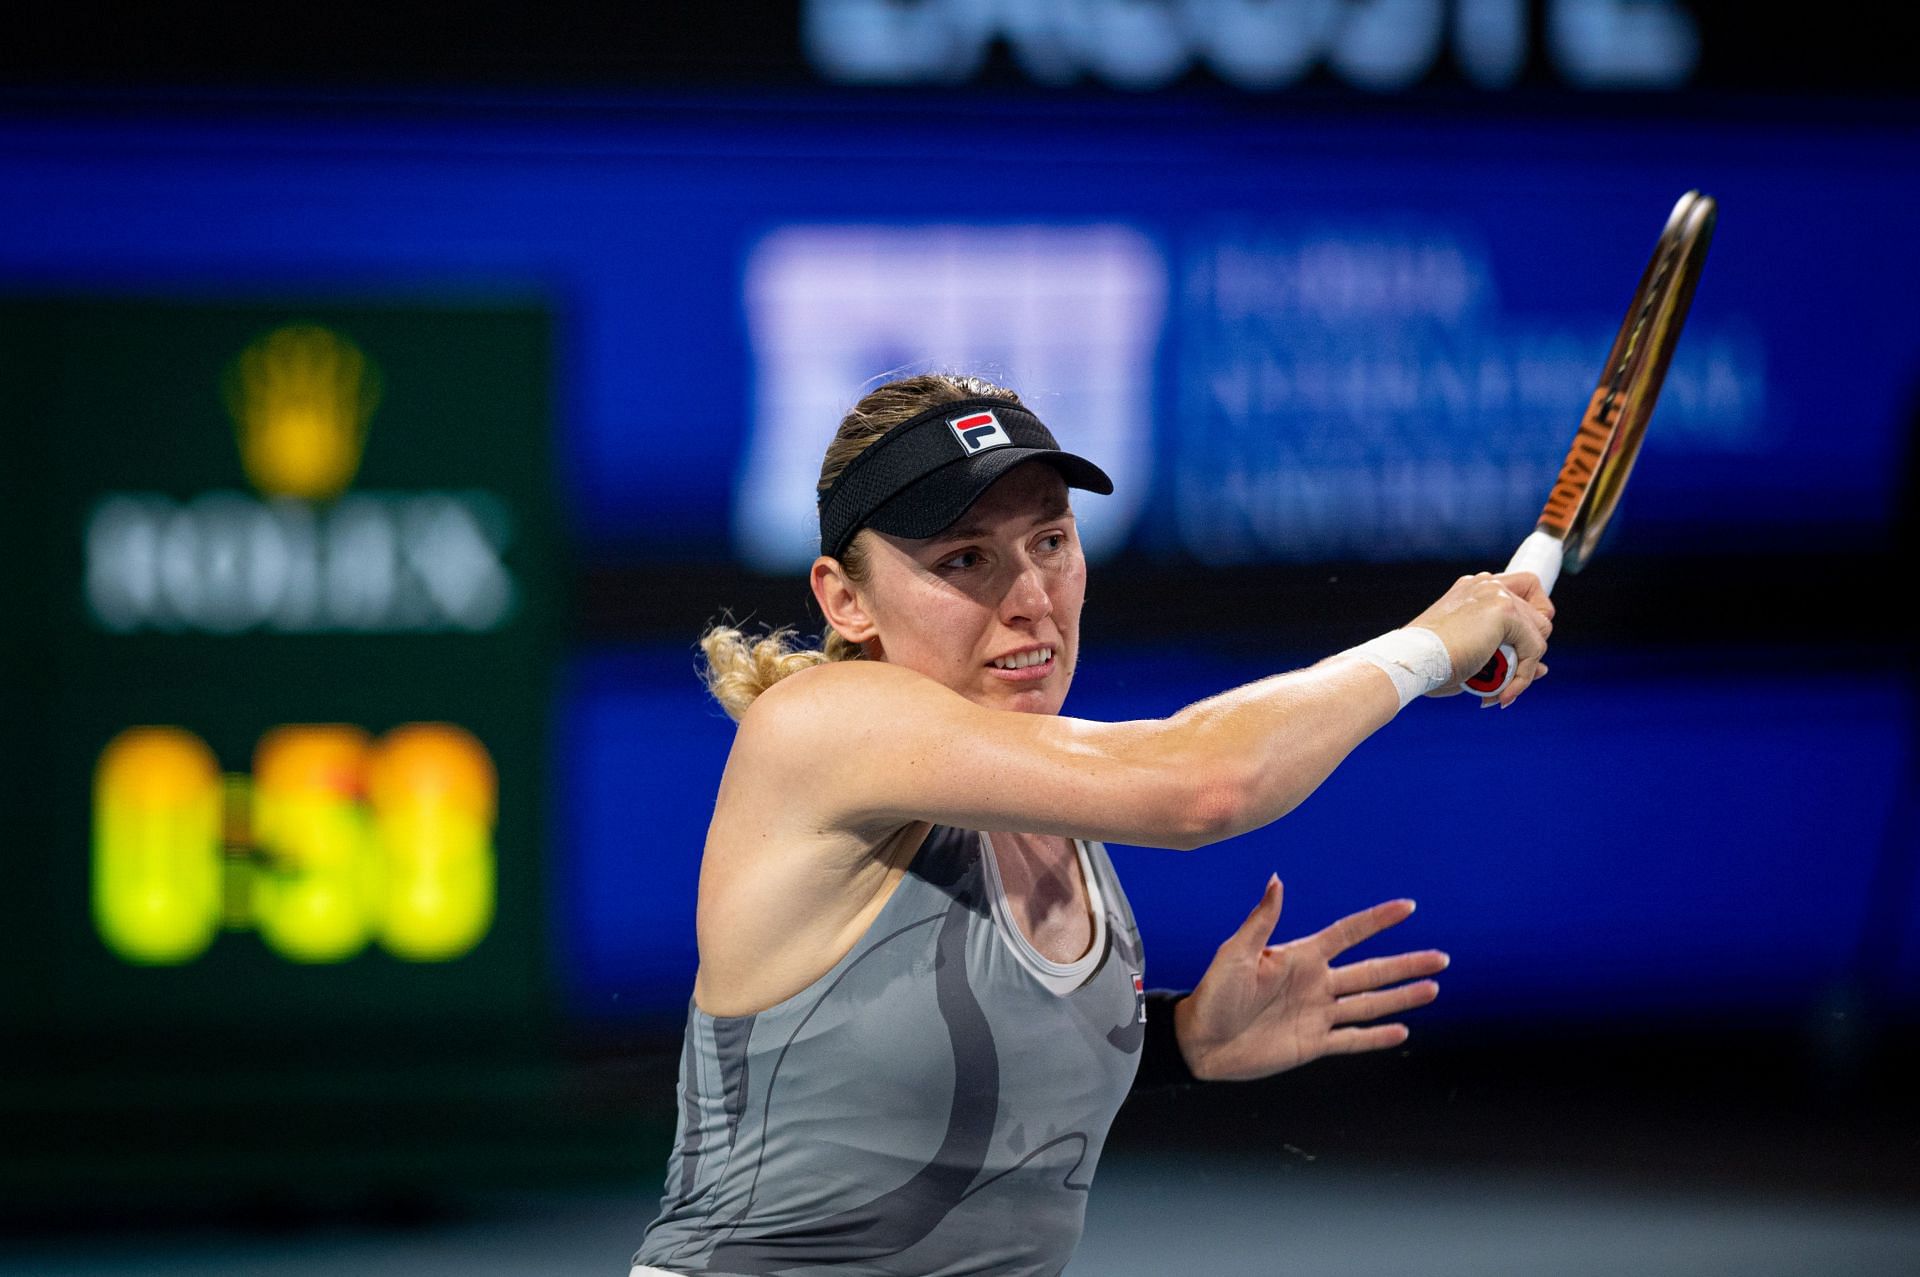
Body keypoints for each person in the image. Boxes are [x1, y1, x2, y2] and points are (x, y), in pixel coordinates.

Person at [632, 374, 1552, 1277]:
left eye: (1050, 540)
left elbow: (894, 1070)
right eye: (965, 559)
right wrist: (1433, 644)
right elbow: (1208, 787)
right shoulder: (818, 726)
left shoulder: (1043, 785)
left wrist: (1181, 1037)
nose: (1030, 594)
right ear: (845, 600)